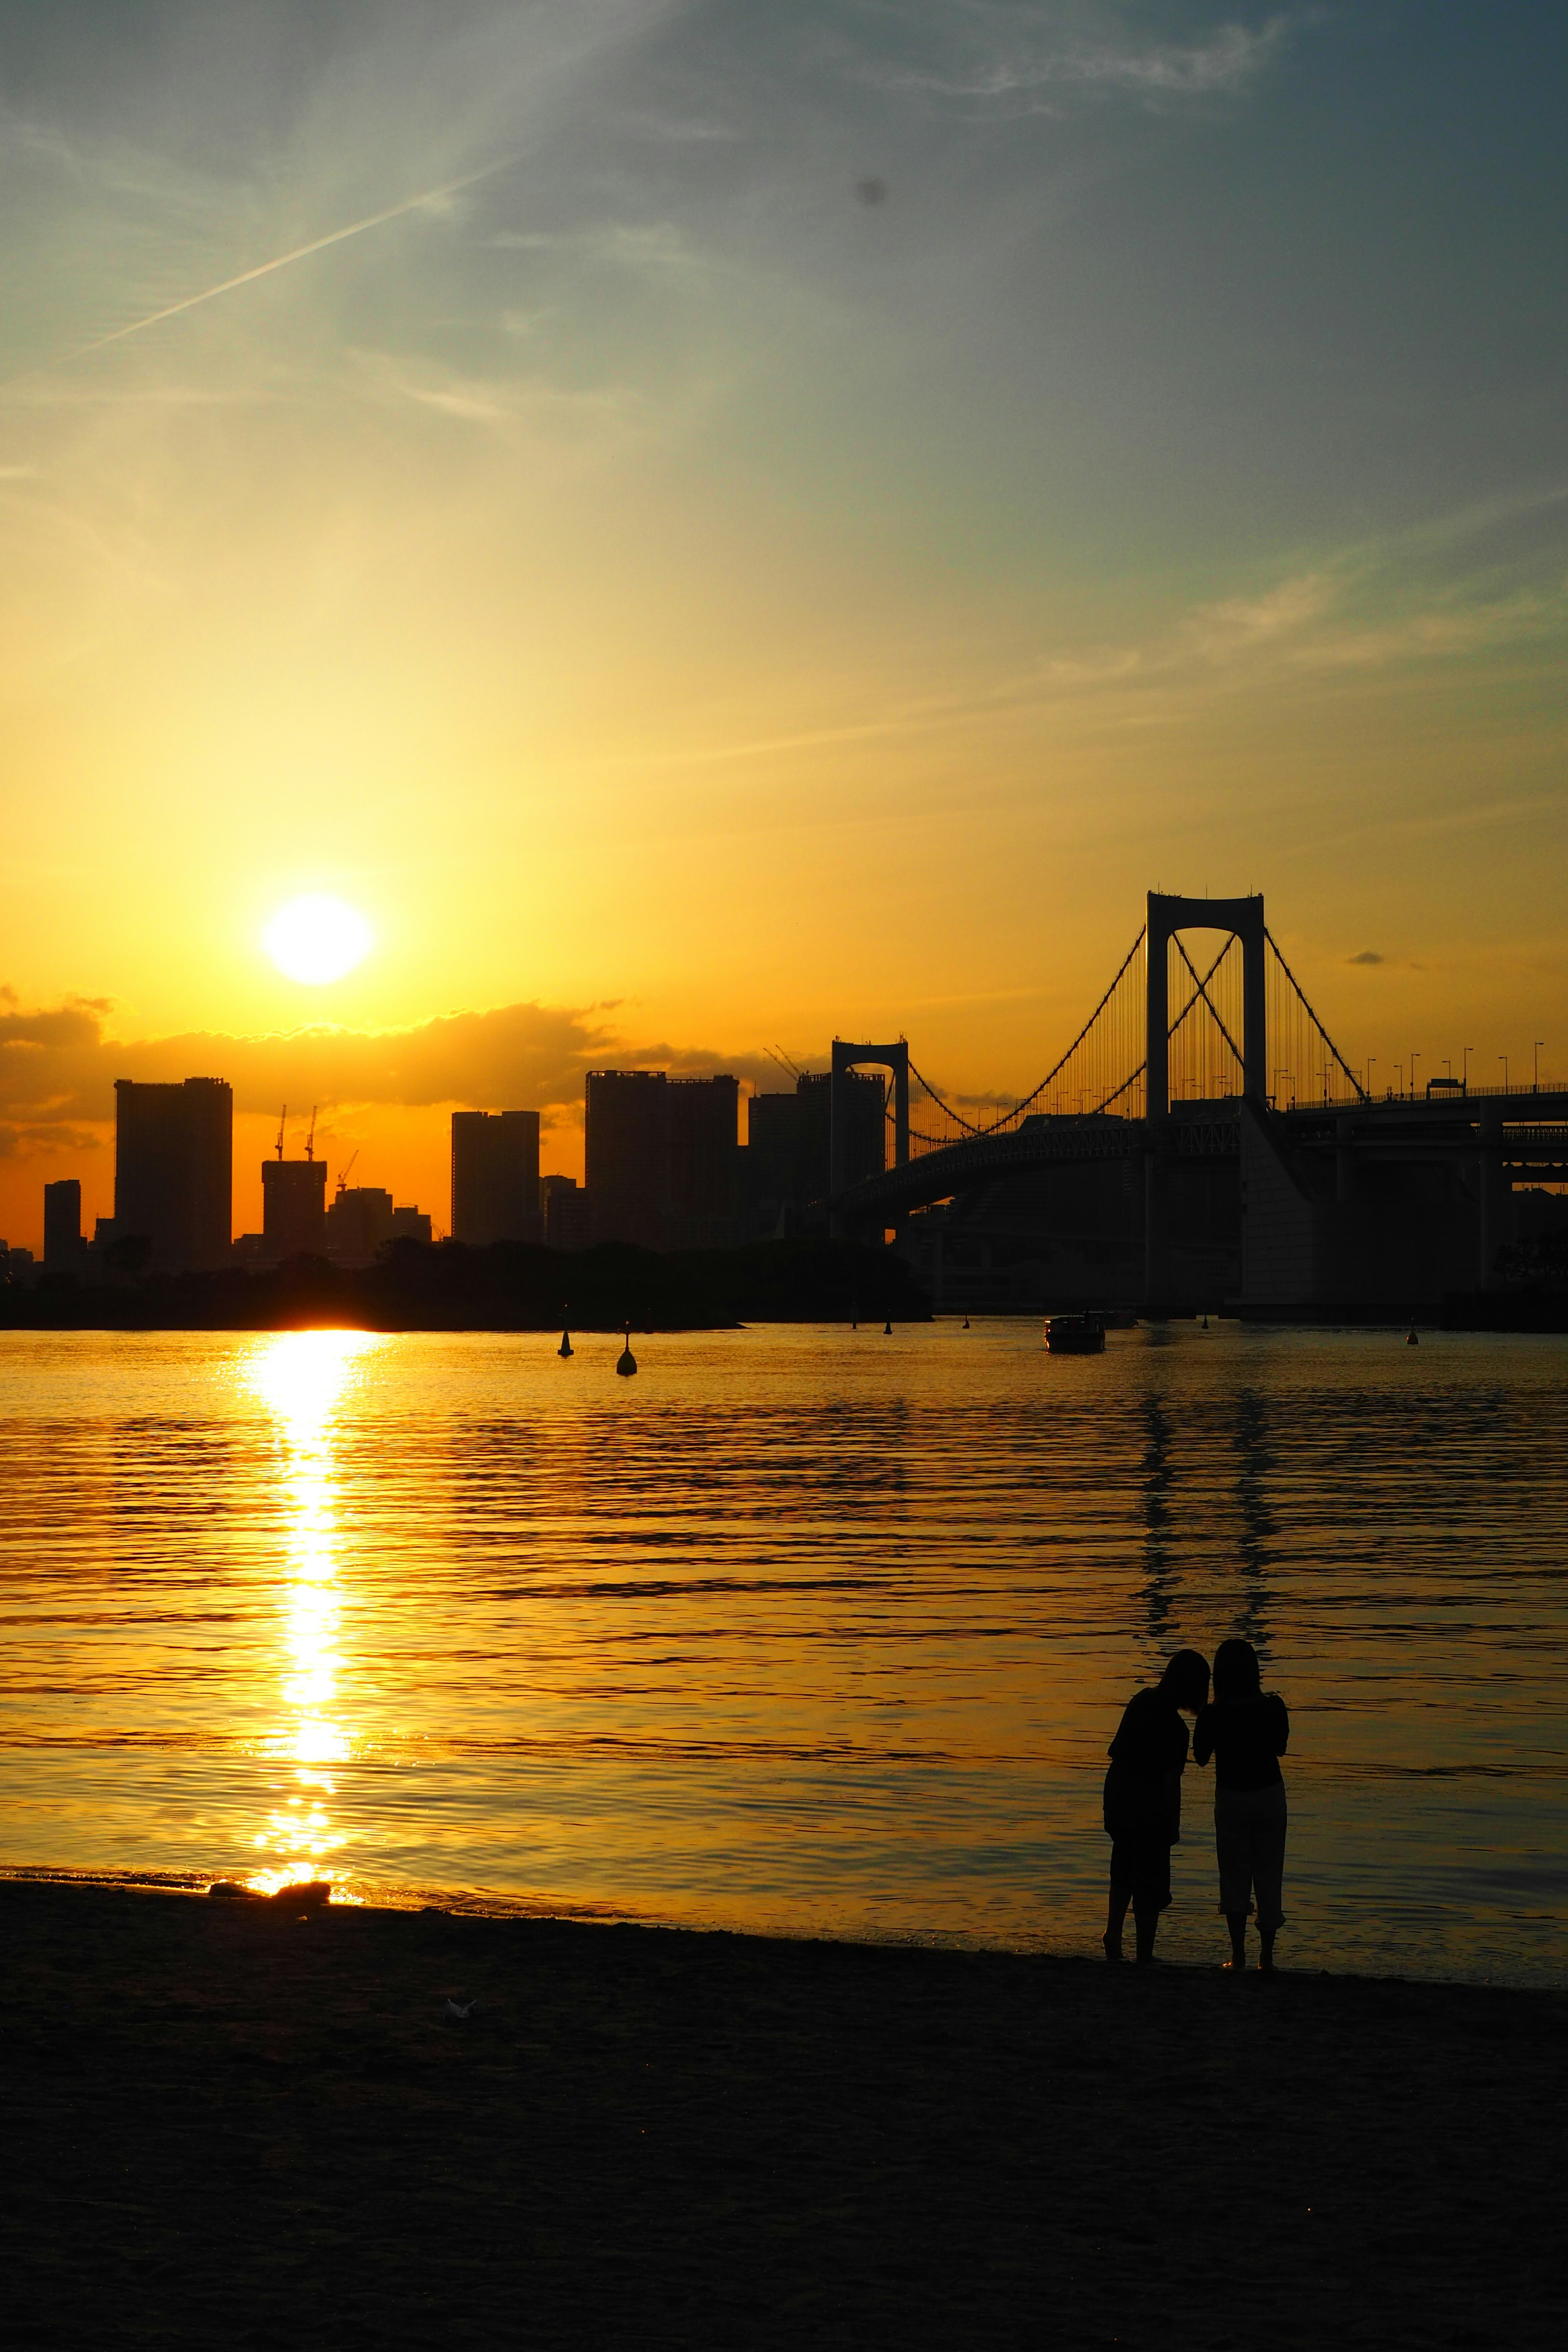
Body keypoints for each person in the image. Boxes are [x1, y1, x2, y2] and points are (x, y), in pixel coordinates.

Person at [1102, 1649, 1211, 1964]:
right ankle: (1144, 1952)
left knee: (1123, 1869)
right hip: (1148, 1808)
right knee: (1150, 1880)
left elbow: (1118, 1755)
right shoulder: (1176, 1729)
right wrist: (1173, 1823)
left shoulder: (1141, 1700)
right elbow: (1170, 1781)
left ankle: (1113, 1935)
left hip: (1120, 1795)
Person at [1193, 1638, 1290, 1974]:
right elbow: (1280, 1748)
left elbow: (1201, 1758)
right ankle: (1267, 1957)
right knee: (1269, 1873)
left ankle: (1239, 1955)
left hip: (1232, 1794)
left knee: (1234, 1873)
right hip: (1269, 1793)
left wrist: (1205, 1716)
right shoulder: (1273, 1708)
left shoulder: (1214, 1714)